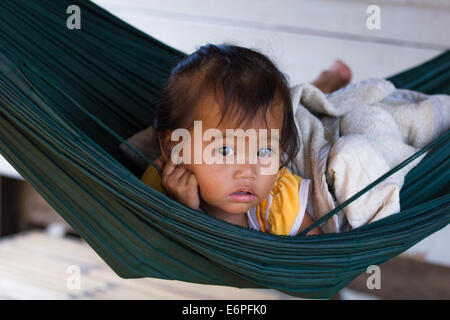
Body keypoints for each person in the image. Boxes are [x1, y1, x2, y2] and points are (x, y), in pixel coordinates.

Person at [141, 43, 351, 236]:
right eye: (225, 150)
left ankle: (322, 86)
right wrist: (184, 209)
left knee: (296, 111)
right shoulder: (159, 184)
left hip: (285, 123)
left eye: (264, 152)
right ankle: (324, 83)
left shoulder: (278, 203)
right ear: (174, 148)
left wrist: (193, 213)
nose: (249, 171)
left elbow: (318, 255)